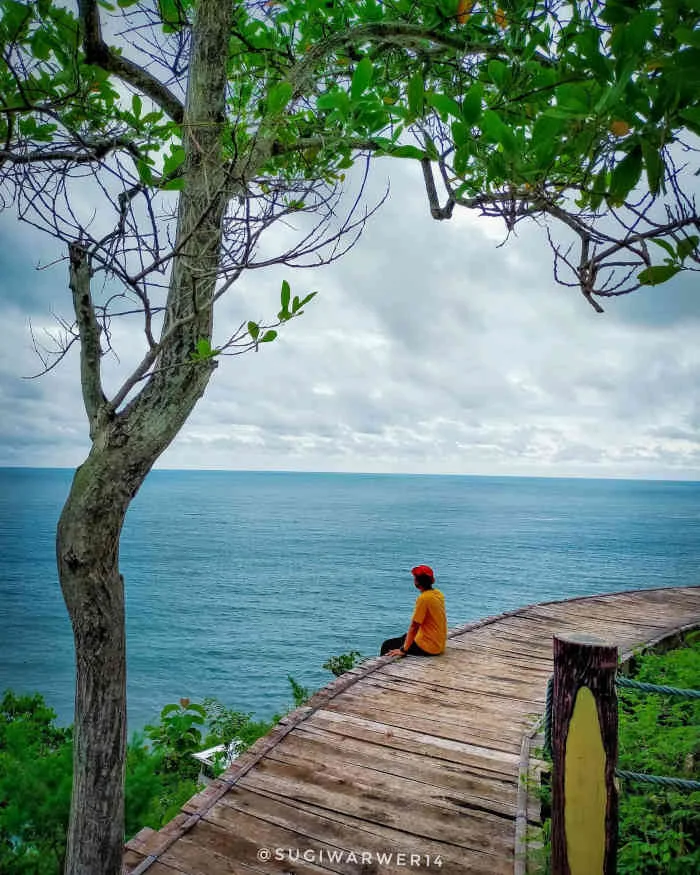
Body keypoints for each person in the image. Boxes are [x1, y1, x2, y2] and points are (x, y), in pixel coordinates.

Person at [380, 565, 447, 658]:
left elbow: (414, 626)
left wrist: (403, 650)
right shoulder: (438, 594)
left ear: (417, 581)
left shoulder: (424, 598)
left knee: (387, 645)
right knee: (404, 637)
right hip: (438, 644)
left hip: (428, 647)